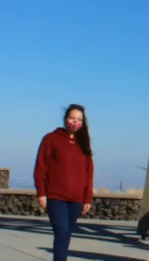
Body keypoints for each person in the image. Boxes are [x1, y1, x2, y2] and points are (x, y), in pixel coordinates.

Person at [34, 104, 95, 261]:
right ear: (65, 119)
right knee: (61, 230)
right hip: (56, 197)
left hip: (76, 199)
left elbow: (89, 172)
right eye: (72, 118)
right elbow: (41, 167)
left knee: (66, 234)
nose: (75, 122)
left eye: (79, 119)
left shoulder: (84, 143)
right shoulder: (51, 139)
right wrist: (41, 192)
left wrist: (87, 198)